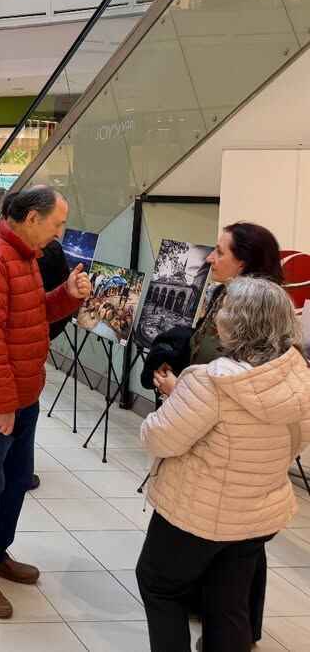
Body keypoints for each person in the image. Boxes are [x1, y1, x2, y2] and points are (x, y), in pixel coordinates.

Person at [136, 276, 310, 652]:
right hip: (257, 516)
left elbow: (159, 438)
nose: (218, 316)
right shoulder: (298, 382)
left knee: (159, 586)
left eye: (226, 309)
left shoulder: (209, 382)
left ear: (239, 323)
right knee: (228, 603)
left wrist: (173, 398)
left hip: (194, 515)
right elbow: (296, 442)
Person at [0, 186, 90, 619]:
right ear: (32, 219)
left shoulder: (23, 255)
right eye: (57, 224)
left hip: (21, 393)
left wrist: (67, 294)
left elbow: (30, 316)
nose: (59, 233)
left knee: (15, 481)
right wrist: (3, 404)